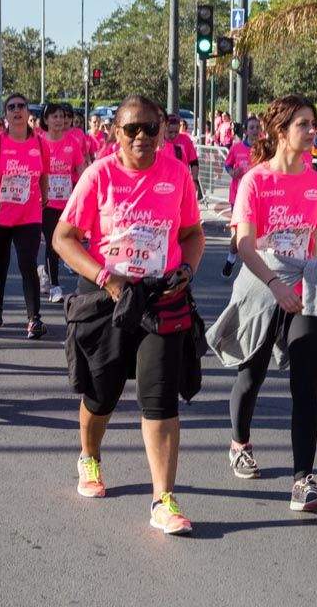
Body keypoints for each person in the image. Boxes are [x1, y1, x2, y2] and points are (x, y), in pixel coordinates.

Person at [54, 94, 204, 535]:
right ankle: (90, 456)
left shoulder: (175, 174)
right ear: (115, 133)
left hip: (161, 297)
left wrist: (188, 271)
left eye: (150, 128)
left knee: (159, 398)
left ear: (163, 130)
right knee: (102, 394)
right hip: (107, 296)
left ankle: (163, 499)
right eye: (131, 129)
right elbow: (64, 237)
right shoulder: (98, 175)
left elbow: (193, 233)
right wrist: (106, 277)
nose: (141, 137)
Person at [208, 95, 317, 512]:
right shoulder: (256, 181)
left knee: (306, 384)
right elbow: (244, 243)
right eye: (303, 124)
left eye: (313, 123)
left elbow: (312, 239)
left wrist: (304, 281)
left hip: (306, 285)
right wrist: (276, 283)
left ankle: (303, 481)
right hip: (262, 282)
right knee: (252, 375)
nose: (312, 130)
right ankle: (239, 441)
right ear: (282, 131)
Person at [0, 93, 48, 338]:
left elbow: (44, 176)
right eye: (11, 107)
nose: (17, 110)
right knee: (0, 263)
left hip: (29, 215)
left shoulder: (40, 143)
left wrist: (45, 198)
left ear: (28, 112)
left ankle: (34, 319)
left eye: (21, 106)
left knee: (28, 263)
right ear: (5, 114)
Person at [39, 102, 86, 304]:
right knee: (52, 242)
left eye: (61, 117)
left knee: (64, 242)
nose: (59, 121)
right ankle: (55, 286)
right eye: (54, 117)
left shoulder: (72, 143)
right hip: (45, 202)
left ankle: (45, 272)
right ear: (46, 120)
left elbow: (82, 169)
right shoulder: (39, 142)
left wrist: (86, 191)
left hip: (67, 202)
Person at [221, 115, 260, 278]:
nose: (255, 131)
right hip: (238, 197)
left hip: (258, 197)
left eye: (258, 127)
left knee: (257, 234)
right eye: (252, 128)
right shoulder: (236, 148)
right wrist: (232, 173)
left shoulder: (263, 148)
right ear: (245, 131)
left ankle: (253, 269)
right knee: (239, 234)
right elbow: (227, 165)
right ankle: (231, 259)